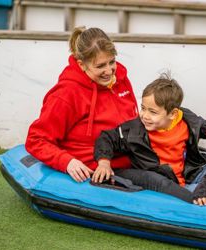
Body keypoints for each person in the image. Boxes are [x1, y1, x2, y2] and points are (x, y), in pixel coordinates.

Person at [25, 27, 138, 182]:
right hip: (98, 169)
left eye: (112, 62)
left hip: (132, 158)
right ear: (82, 64)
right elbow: (36, 140)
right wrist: (66, 161)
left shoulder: (121, 79)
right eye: (100, 66)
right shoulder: (66, 94)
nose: (109, 71)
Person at [94, 73, 206, 202]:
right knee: (168, 185)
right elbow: (107, 137)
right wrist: (104, 162)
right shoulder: (134, 130)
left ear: (173, 114)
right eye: (143, 108)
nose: (145, 115)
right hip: (165, 183)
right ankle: (202, 199)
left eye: (152, 112)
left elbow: (200, 123)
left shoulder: (183, 118)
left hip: (188, 176)